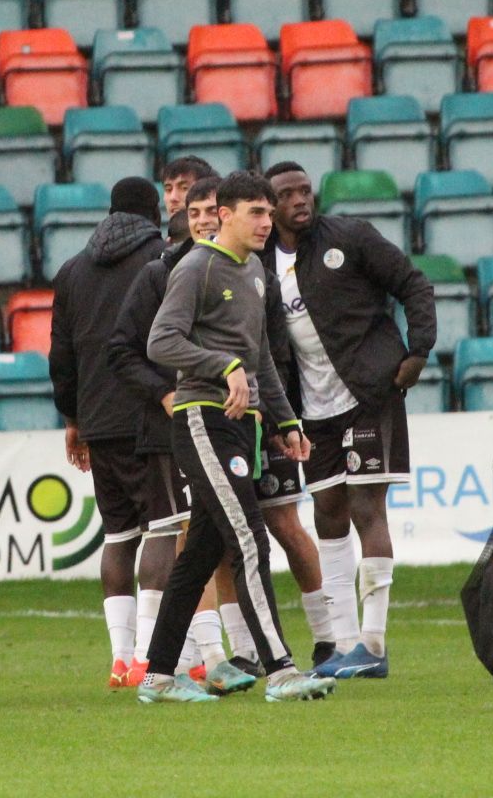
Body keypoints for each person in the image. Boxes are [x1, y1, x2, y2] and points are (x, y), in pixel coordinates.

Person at [138, 171, 336, 705]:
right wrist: (220, 364)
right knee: (250, 538)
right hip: (202, 419)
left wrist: (287, 420)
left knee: (201, 554)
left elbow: (260, 355)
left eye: (269, 213)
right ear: (223, 214)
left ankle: (157, 677)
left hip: (242, 425)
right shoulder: (196, 267)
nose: (267, 222)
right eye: (256, 212)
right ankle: (282, 670)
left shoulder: (255, 271)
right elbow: (161, 341)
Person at [263, 163, 435, 677]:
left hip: (370, 392)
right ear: (269, 207)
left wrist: (418, 352)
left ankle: (374, 646)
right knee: (328, 514)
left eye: (304, 190)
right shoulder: (262, 263)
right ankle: (341, 644)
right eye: (286, 194)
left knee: (366, 507)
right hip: (311, 409)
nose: (300, 199)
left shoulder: (350, 237)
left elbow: (413, 284)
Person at [49, 177, 170, 686]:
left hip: (98, 420)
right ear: (154, 212)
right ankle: (147, 655)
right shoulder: (164, 260)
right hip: (150, 413)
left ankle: (121, 658)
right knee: (165, 529)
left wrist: (74, 419)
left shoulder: (73, 269)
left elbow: (62, 354)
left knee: (119, 536)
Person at [107, 174, 216, 686]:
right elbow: (125, 349)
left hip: (224, 422)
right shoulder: (158, 275)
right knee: (175, 529)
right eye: (193, 216)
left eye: (208, 212)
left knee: (205, 532)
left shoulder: (244, 272)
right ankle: (169, 658)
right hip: (167, 424)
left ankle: (188, 655)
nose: (201, 223)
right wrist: (166, 393)